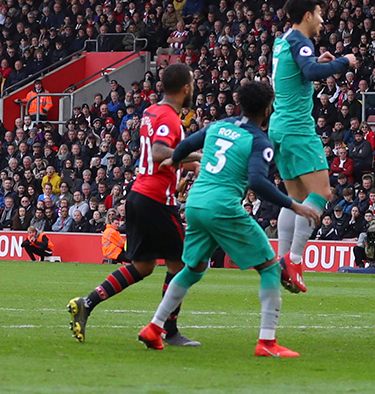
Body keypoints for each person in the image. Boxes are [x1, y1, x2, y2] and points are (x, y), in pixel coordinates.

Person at [137, 81, 321, 357]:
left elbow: (185, 144)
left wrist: (175, 160)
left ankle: (154, 327)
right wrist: (294, 205)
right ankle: (267, 343)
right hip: (222, 206)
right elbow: (258, 182)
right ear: (268, 108)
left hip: (196, 204)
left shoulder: (219, 125)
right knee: (271, 269)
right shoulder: (259, 140)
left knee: (193, 269)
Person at [69, 64, 201, 347]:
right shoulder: (169, 117)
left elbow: (163, 158)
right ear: (186, 88)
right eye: (192, 83)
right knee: (182, 265)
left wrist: (194, 162)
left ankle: (87, 303)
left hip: (138, 196)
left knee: (143, 266)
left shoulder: (151, 112)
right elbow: (158, 152)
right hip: (156, 200)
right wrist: (197, 152)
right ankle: (168, 330)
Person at [270, 0, 355, 294]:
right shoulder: (300, 41)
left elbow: (299, 70)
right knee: (322, 192)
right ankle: (294, 261)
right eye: (319, 13)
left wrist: (317, 61)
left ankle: (282, 258)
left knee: (294, 197)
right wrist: (344, 61)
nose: (322, 19)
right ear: (307, 15)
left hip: (279, 127)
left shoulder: (282, 42)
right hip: (297, 128)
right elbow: (309, 72)